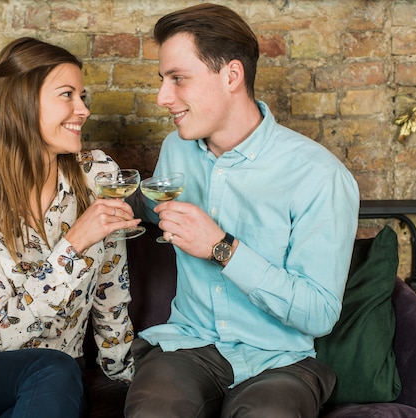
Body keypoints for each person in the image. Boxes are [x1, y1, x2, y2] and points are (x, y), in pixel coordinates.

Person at [125, 4, 360, 418]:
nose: (163, 98)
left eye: (178, 79)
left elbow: (319, 313)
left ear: (231, 75)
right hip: (188, 345)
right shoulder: (175, 150)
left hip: (281, 361)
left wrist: (222, 248)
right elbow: (154, 210)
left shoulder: (320, 176)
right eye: (162, 80)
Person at [0, 37, 138, 418]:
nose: (84, 109)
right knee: (53, 368)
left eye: (83, 95)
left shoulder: (98, 176)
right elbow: (8, 335)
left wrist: (126, 375)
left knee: (57, 376)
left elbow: (112, 286)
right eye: (67, 95)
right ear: (22, 104)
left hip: (59, 373)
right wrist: (74, 244)